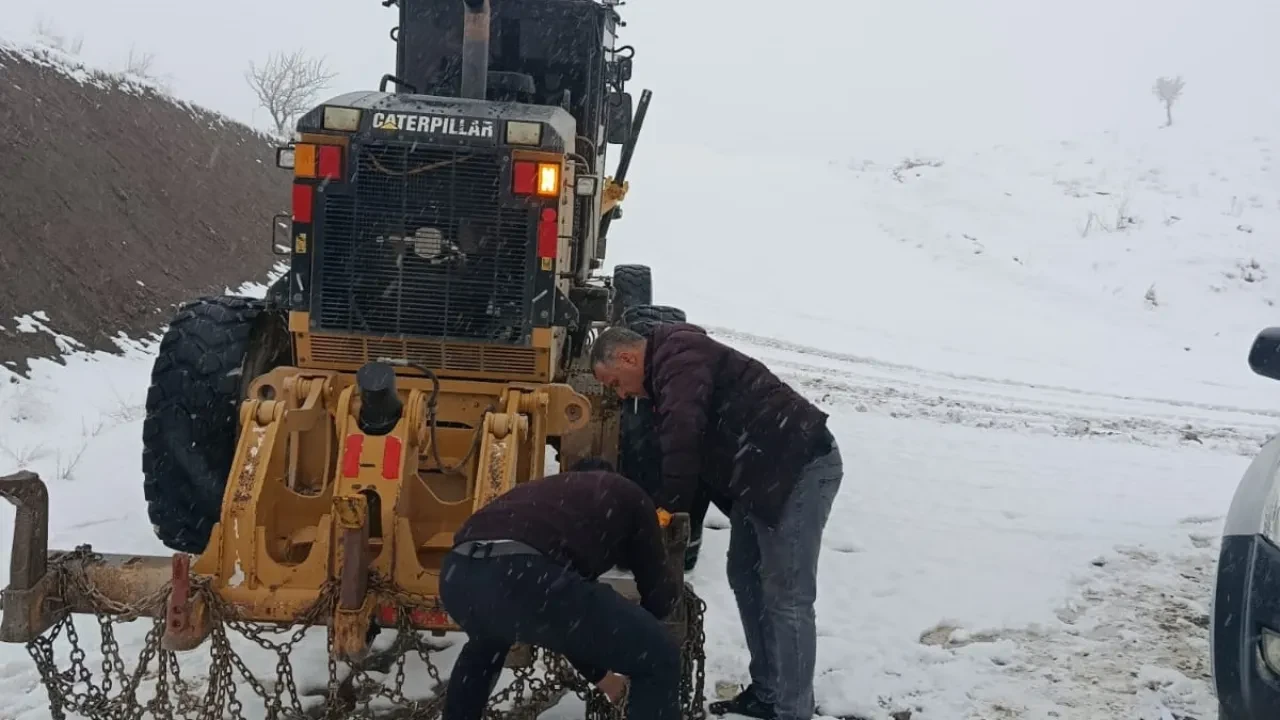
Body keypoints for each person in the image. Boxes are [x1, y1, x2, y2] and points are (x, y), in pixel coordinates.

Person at [589, 323, 843, 720]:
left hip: (798, 467)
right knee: (744, 574)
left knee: (787, 594)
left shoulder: (679, 357)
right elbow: (700, 453)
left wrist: (667, 507)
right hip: (759, 477)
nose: (621, 394)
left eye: (615, 383)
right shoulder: (667, 370)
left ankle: (793, 710)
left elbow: (683, 436)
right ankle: (768, 690)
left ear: (626, 357)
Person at [439, 459, 685, 720]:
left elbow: (564, 621)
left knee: (485, 646)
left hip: (458, 575)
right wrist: (642, 629)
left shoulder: (545, 493)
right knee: (660, 657)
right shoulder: (628, 494)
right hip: (523, 574)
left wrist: (602, 677)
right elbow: (658, 597)